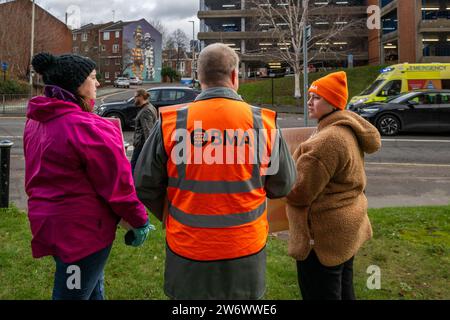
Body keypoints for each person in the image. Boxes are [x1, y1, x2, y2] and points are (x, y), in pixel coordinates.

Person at [134, 43, 296, 299]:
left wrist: (170, 212)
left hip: (188, 248)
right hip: (245, 248)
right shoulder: (263, 123)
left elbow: (143, 183)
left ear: (199, 78)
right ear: (234, 76)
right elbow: (283, 185)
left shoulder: (171, 121)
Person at [24, 52, 153, 300]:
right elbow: (118, 187)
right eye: (93, 78)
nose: (97, 83)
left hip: (51, 224)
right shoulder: (87, 127)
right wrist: (140, 221)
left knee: (91, 287)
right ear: (76, 86)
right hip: (81, 236)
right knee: (72, 292)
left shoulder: (36, 122)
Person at [286, 71, 382, 300]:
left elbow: (299, 194)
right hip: (346, 230)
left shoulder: (327, 141)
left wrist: (281, 177)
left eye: (317, 97)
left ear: (334, 102)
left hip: (322, 238)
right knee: (343, 288)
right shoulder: (346, 129)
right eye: (309, 96)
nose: (309, 102)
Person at [130, 89, 158, 174]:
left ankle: (132, 186)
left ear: (141, 97)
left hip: (141, 145)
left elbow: (148, 131)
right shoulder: (150, 106)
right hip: (141, 144)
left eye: (135, 97)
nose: (134, 99)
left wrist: (148, 149)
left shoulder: (145, 111)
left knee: (133, 167)